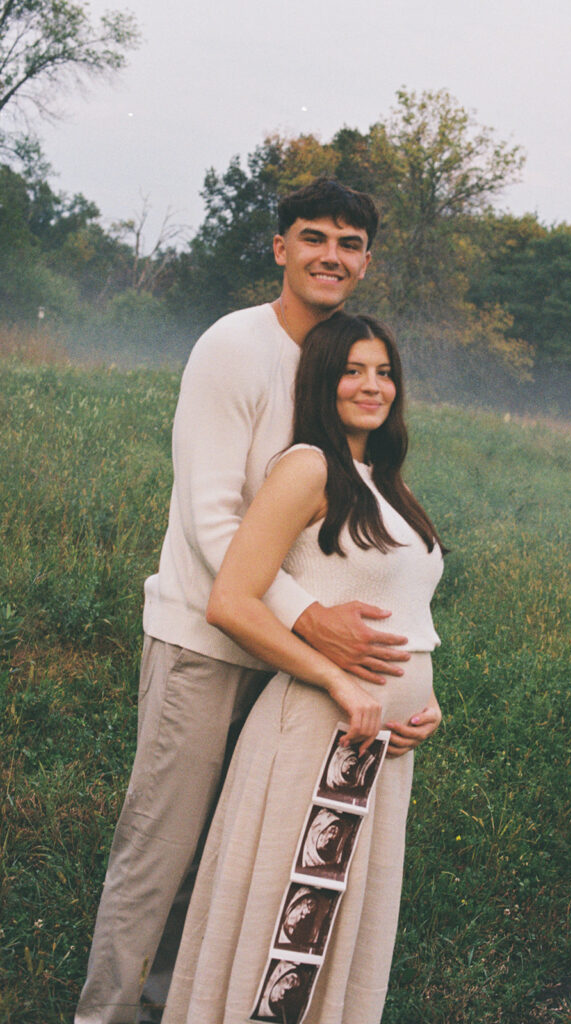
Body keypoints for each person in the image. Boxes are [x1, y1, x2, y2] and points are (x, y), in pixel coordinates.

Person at [75, 179, 441, 1024]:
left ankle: (182, 1007)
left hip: (297, 676)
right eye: (312, 238)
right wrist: (310, 623)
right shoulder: (234, 347)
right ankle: (104, 1015)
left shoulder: (342, 366)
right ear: (280, 248)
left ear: (365, 262)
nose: (330, 256)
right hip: (208, 641)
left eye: (348, 245)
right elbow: (212, 517)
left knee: (233, 862)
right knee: (161, 854)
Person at [161, 312, 444, 1024]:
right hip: (319, 732)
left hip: (380, 746)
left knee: (341, 916)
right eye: (352, 370)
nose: (371, 385)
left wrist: (424, 705)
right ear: (322, 380)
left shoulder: (383, 481)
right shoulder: (308, 467)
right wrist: (337, 678)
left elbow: (408, 618)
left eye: (383, 372)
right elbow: (231, 600)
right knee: (287, 921)